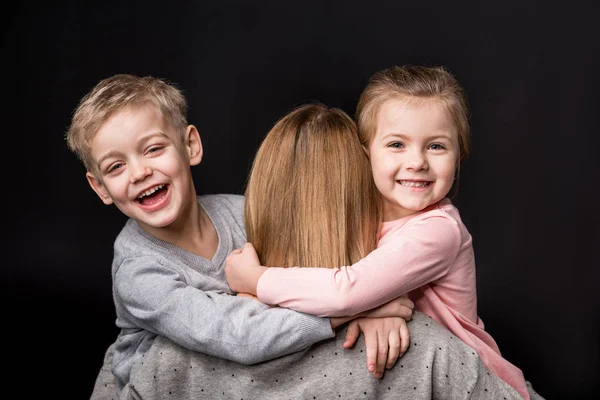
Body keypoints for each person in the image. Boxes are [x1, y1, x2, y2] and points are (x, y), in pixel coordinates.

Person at [115, 102, 523, 400]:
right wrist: (368, 305)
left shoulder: (167, 358)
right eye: (396, 147)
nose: (413, 164)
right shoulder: (423, 344)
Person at [65, 74, 414, 397]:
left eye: (153, 149)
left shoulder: (240, 212)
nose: (140, 172)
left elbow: (314, 270)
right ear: (101, 188)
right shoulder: (138, 273)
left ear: (190, 146)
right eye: (116, 166)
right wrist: (351, 308)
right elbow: (238, 336)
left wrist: (368, 301)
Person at [226, 66, 543, 400]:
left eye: (436, 146)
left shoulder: (439, 230)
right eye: (396, 144)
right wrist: (375, 306)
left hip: (475, 386)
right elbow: (346, 288)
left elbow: (347, 291)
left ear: (459, 156)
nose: (417, 161)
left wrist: (256, 280)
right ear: (367, 153)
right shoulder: (360, 215)